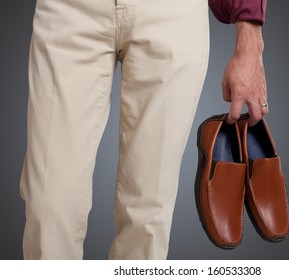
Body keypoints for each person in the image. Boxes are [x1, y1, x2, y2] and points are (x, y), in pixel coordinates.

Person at [20, 0, 268, 260]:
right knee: (48, 203)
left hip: (171, 15)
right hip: (71, 10)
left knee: (149, 214)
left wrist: (250, 40)